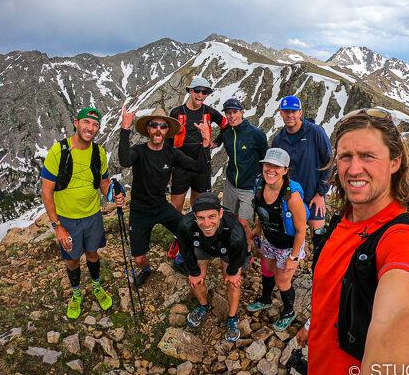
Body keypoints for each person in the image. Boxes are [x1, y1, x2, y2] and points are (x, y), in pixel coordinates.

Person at [304, 108, 409, 375]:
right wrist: (311, 327)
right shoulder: (343, 220)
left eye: (368, 156)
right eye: (345, 156)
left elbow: (399, 313)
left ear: (395, 162)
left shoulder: (401, 236)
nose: (353, 169)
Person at [41, 108, 120, 319]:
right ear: (76, 123)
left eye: (95, 125)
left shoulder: (99, 153)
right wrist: (57, 226)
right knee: (73, 259)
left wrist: (112, 195)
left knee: (93, 253)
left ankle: (96, 286)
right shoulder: (59, 151)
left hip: (92, 215)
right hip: (67, 219)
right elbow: (46, 191)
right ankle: (76, 294)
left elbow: (103, 182)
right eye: (86, 122)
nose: (90, 128)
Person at [118, 106, 210, 286]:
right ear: (149, 130)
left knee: (190, 232)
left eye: (162, 126)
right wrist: (124, 129)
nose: (158, 129)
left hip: (161, 207)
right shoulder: (139, 150)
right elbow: (124, 160)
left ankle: (179, 261)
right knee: (138, 258)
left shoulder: (171, 153)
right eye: (154, 125)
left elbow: (198, 167)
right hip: (139, 211)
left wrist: (206, 143)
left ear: (167, 130)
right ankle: (146, 269)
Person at [246, 148, 307, 331]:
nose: (270, 169)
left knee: (282, 281)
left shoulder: (292, 197)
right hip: (270, 240)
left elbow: (301, 230)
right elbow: (261, 210)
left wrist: (293, 257)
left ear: (285, 170)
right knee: (266, 270)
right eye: (267, 165)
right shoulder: (260, 184)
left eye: (276, 166)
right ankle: (265, 299)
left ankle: (289, 311)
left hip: (288, 246)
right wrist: (258, 228)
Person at [176, 192, 246, 342]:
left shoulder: (235, 232)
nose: (206, 223)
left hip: (227, 248)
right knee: (196, 281)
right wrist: (194, 272)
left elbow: (239, 255)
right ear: (194, 215)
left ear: (220, 213)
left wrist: (233, 273)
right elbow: (185, 250)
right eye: (201, 218)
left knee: (233, 284)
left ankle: (232, 316)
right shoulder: (185, 225)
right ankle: (203, 305)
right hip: (202, 246)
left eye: (212, 216)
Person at [271, 95, 331, 241]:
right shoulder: (278, 140)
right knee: (292, 240)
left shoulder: (315, 132)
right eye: (286, 112)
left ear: (300, 113)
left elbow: (329, 161)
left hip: (313, 198)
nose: (290, 115)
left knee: (318, 240)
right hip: (291, 198)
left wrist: (320, 194)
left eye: (294, 111)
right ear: (281, 113)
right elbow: (276, 170)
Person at [212, 98, 268, 251]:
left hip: (249, 187)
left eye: (235, 112)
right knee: (230, 217)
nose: (231, 116)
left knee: (243, 222)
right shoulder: (227, 132)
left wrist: (264, 184)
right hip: (231, 183)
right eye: (228, 113)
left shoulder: (256, 134)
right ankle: (240, 241)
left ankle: (247, 248)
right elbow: (214, 144)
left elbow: (266, 159)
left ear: (242, 112)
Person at [167, 76, 228, 211]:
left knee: (199, 204)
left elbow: (226, 125)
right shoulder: (176, 112)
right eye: (197, 91)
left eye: (204, 92)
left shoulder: (209, 112)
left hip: (202, 164)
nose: (200, 95)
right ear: (190, 91)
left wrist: (217, 142)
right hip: (180, 165)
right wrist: (168, 170)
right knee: (176, 206)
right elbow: (168, 142)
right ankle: (178, 232)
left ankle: (196, 231)